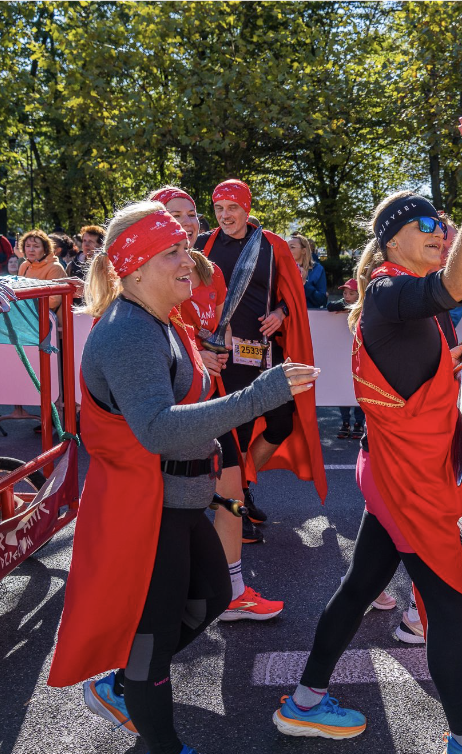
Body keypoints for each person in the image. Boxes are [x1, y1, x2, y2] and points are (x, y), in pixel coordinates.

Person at [274, 116, 462, 754]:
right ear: (392, 243)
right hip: (409, 483)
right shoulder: (389, 289)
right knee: (447, 608)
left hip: (392, 470)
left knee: (359, 588)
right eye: (428, 225)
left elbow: (416, 370)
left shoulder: (396, 297)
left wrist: (449, 368)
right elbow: (460, 283)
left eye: (443, 224)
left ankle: (303, 701)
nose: (441, 234)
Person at [48, 200, 320, 754]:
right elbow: (157, 430)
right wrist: (260, 395)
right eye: (173, 252)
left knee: (214, 595)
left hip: (175, 505)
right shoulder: (129, 330)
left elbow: (187, 411)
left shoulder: (164, 322)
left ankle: (127, 684)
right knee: (152, 640)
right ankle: (157, 732)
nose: (189, 262)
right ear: (136, 265)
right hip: (146, 516)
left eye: (186, 249)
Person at [149, 185, 283, 617]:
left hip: (210, 393)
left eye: (190, 215)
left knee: (230, 486)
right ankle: (152, 605)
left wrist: (219, 350)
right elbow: (142, 335)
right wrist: (194, 352)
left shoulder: (209, 270)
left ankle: (232, 592)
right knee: (165, 509)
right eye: (174, 215)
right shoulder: (139, 271)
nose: (186, 223)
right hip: (163, 407)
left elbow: (218, 323)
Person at [194, 179, 326, 528]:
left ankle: (244, 482)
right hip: (224, 355)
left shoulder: (271, 244)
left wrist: (281, 311)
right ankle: (235, 500)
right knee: (234, 429)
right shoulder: (202, 246)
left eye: (232, 207)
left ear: (246, 208)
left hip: (267, 353)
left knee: (282, 423)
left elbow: (293, 292)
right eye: (219, 208)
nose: (225, 215)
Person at [327, 278, 366, 439]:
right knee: (343, 388)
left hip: (361, 355)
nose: (347, 296)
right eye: (345, 293)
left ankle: (358, 423)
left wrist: (354, 309)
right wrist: (348, 306)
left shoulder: (368, 306)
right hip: (342, 356)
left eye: (351, 293)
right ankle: (345, 422)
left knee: (359, 389)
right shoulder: (345, 303)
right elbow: (330, 306)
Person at [290, 232, 328, 308]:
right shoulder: (283, 268)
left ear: (303, 251)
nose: (287, 250)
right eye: (286, 247)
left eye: (292, 247)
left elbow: (321, 300)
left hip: (310, 315)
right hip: (287, 316)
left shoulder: (317, 269)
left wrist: (304, 283)